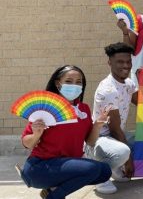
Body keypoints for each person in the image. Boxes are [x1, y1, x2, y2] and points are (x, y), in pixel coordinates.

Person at [20, 65, 111, 199]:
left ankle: (52, 192)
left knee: (105, 171)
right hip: (40, 167)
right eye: (68, 81)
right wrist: (36, 134)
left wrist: (97, 125)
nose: (74, 85)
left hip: (67, 165)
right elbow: (27, 143)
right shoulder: (47, 107)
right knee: (93, 169)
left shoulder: (83, 109)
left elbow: (90, 142)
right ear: (58, 83)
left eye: (78, 82)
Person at [88, 42, 138, 194]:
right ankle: (100, 176)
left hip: (114, 137)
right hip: (99, 139)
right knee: (123, 151)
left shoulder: (128, 83)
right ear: (109, 62)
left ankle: (116, 168)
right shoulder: (108, 90)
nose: (126, 65)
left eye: (128, 61)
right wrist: (129, 161)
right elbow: (115, 130)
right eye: (120, 62)